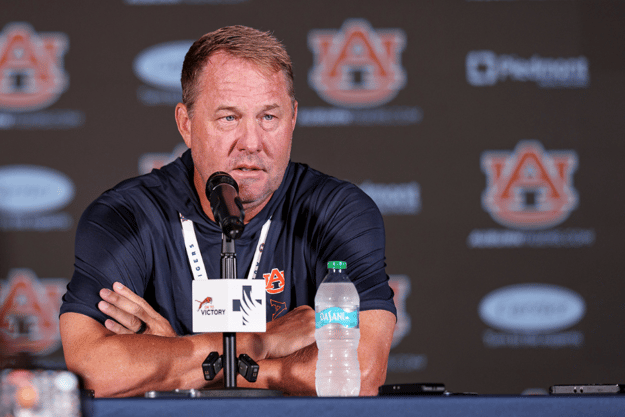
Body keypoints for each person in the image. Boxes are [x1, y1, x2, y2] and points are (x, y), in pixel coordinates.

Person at [59, 25, 396, 397]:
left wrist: (188, 358)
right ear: (186, 124)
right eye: (229, 118)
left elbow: (359, 373)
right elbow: (90, 371)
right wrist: (262, 341)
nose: (252, 143)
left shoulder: (338, 212)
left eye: (269, 117)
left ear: (293, 118)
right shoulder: (126, 217)